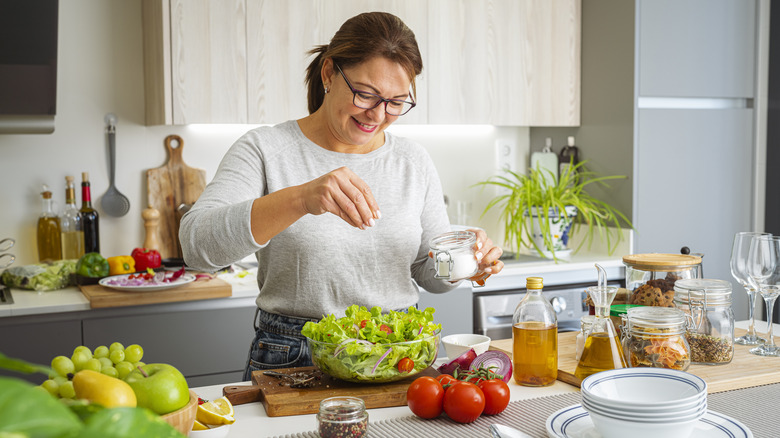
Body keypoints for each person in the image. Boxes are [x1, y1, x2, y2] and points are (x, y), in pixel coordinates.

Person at [179, 11, 504, 380]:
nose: (378, 115)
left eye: (396, 102)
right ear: (329, 73)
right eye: (366, 94)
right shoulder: (265, 149)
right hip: (297, 355)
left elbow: (425, 271)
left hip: (400, 352)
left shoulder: (412, 160)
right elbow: (196, 246)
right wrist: (300, 199)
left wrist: (466, 262)